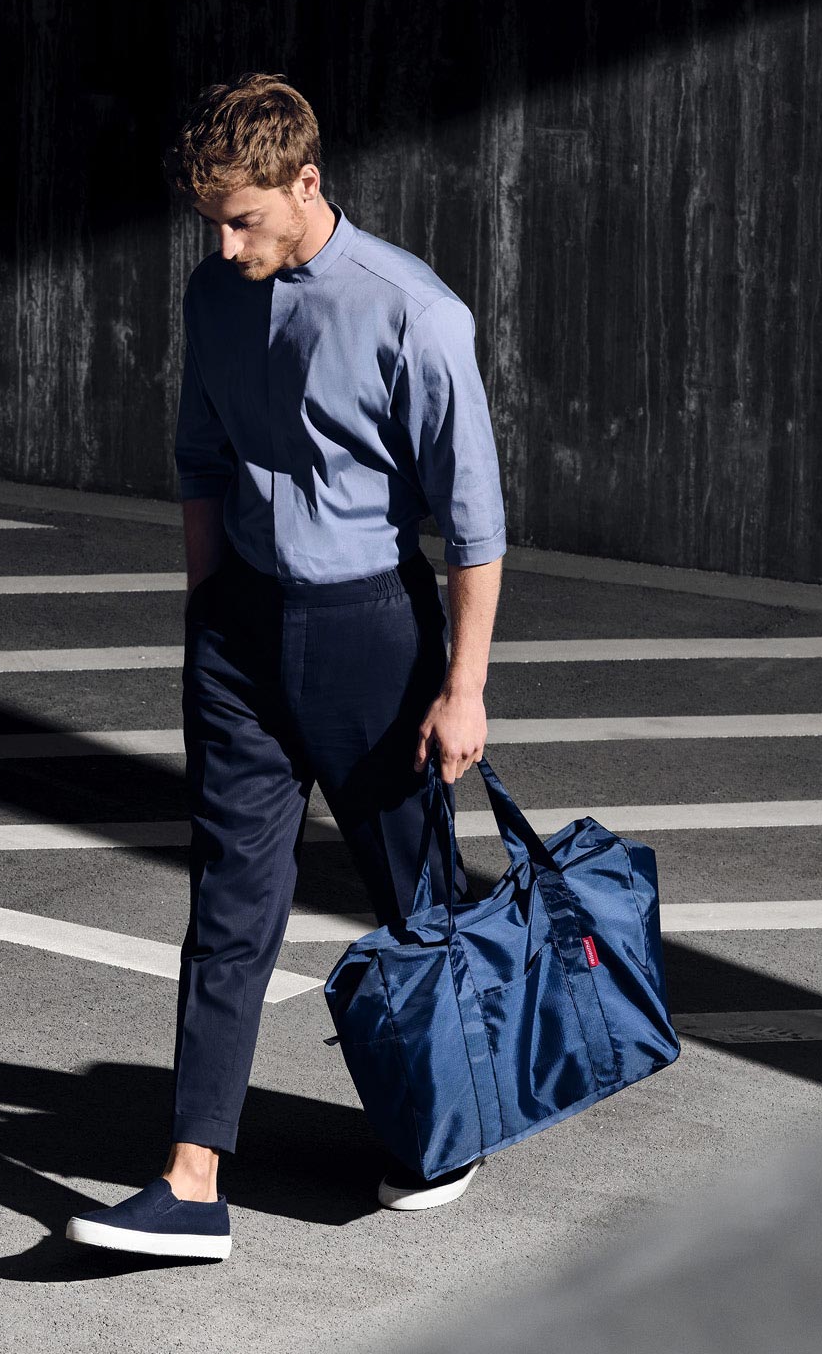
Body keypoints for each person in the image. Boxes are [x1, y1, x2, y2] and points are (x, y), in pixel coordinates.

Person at [66, 72, 506, 1260]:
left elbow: (473, 525)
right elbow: (200, 457)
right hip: (241, 632)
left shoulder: (414, 312)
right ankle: (190, 1178)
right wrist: (206, 610)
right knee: (227, 902)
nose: (222, 243)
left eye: (242, 219)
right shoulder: (214, 290)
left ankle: (445, 1127)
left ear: (306, 183)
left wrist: (462, 686)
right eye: (210, 220)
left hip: (370, 633)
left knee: (414, 896)